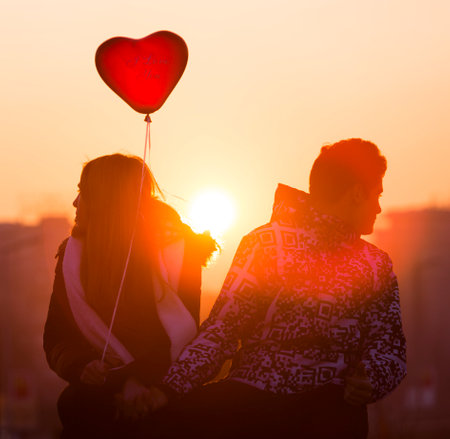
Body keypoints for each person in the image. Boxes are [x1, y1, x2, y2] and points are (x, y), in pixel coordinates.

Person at [144, 138, 407, 439]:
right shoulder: (269, 245)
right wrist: (169, 389)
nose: (378, 207)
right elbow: (223, 331)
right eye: (377, 194)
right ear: (358, 193)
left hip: (310, 412)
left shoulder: (373, 263)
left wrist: (371, 378)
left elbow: (389, 349)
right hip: (275, 413)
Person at [43, 153, 216, 438]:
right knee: (75, 404)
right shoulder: (70, 257)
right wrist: (82, 366)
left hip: (164, 386)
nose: (75, 203)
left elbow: (180, 337)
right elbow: (56, 337)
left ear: (106, 201)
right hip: (102, 391)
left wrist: (137, 381)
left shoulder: (178, 252)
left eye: (82, 193)